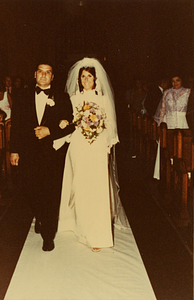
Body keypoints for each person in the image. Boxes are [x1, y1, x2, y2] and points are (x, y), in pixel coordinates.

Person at [58, 57, 129, 252]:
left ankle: (97, 234)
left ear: (96, 79)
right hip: (79, 144)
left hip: (97, 145)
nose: (85, 80)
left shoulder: (103, 99)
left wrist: (101, 136)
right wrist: (65, 123)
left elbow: (110, 124)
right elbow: (69, 120)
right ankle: (79, 227)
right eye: (83, 76)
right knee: (80, 184)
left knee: (96, 187)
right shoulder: (73, 99)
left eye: (89, 76)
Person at [10, 62, 74, 252]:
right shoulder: (21, 96)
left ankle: (48, 235)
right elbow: (16, 126)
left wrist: (50, 131)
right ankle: (39, 215)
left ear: (53, 77)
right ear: (35, 74)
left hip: (51, 154)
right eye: (41, 72)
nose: (44, 75)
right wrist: (14, 150)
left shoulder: (61, 97)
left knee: (51, 194)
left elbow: (70, 124)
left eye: (48, 72)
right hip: (28, 152)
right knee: (29, 190)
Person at [153, 74, 190, 180]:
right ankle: (166, 173)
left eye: (177, 80)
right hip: (168, 121)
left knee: (182, 147)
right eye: (173, 81)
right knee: (168, 146)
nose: (175, 83)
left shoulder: (188, 92)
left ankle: (184, 174)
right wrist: (159, 125)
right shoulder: (167, 92)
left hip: (182, 121)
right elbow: (162, 109)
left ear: (182, 80)